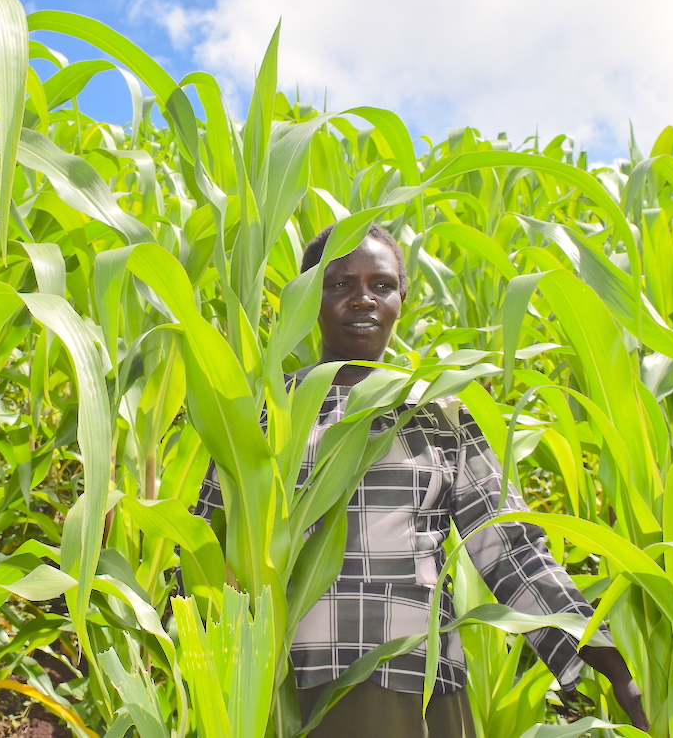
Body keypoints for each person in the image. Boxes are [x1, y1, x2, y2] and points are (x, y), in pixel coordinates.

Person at [196, 224, 649, 738]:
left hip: (409, 678)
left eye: (381, 285)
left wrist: (611, 664)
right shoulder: (265, 414)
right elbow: (206, 550)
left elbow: (510, 550)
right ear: (307, 301)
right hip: (282, 679)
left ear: (401, 300)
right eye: (339, 285)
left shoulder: (440, 412)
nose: (363, 300)